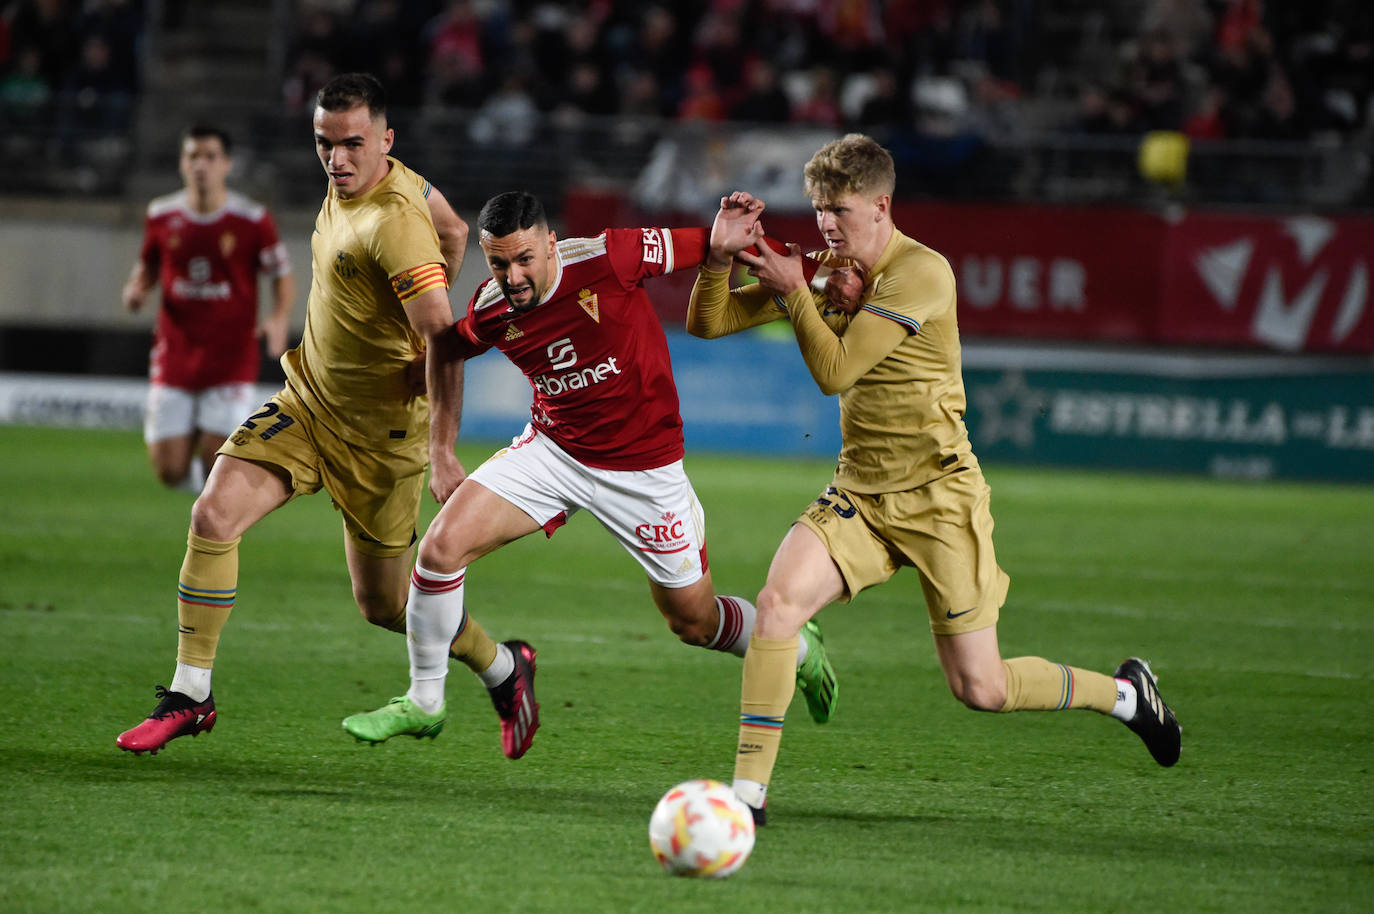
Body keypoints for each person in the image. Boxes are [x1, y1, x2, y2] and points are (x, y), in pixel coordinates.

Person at [687, 133, 1182, 824]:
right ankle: (747, 800)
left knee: (981, 687)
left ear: (881, 205)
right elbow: (706, 322)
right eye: (820, 208)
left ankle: (1127, 695)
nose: (827, 224)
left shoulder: (922, 273)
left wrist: (797, 294)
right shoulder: (828, 272)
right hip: (860, 493)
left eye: (841, 209)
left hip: (940, 498)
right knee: (775, 606)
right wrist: (717, 263)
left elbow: (835, 372)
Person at [339, 191, 839, 759]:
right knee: (439, 549)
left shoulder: (609, 259)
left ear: (551, 245)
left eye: (525, 259)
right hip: (555, 453)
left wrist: (823, 279)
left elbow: (723, 244)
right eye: (499, 263)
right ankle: (425, 701)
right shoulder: (492, 307)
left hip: (645, 470)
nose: (513, 276)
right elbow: (447, 349)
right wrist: (442, 447)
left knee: (693, 621)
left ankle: (797, 649)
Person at [116, 72, 476, 755]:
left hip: (382, 434)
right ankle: (190, 693)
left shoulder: (395, 226)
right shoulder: (384, 176)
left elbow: (444, 338)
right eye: (325, 143)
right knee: (212, 514)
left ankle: (499, 662)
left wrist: (442, 450)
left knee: (385, 607)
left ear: (385, 141)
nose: (336, 160)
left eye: (352, 145)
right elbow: (454, 224)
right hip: (309, 403)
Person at [122, 124, 296, 493]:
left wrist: (279, 316)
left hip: (230, 356)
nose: (201, 164)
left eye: (210, 156)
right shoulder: (161, 214)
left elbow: (282, 273)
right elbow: (150, 264)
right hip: (175, 352)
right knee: (169, 472)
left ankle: (210, 518)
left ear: (227, 164)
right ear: (182, 164)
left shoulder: (251, 219)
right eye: (193, 156)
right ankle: (201, 484)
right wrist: (138, 287)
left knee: (216, 462)